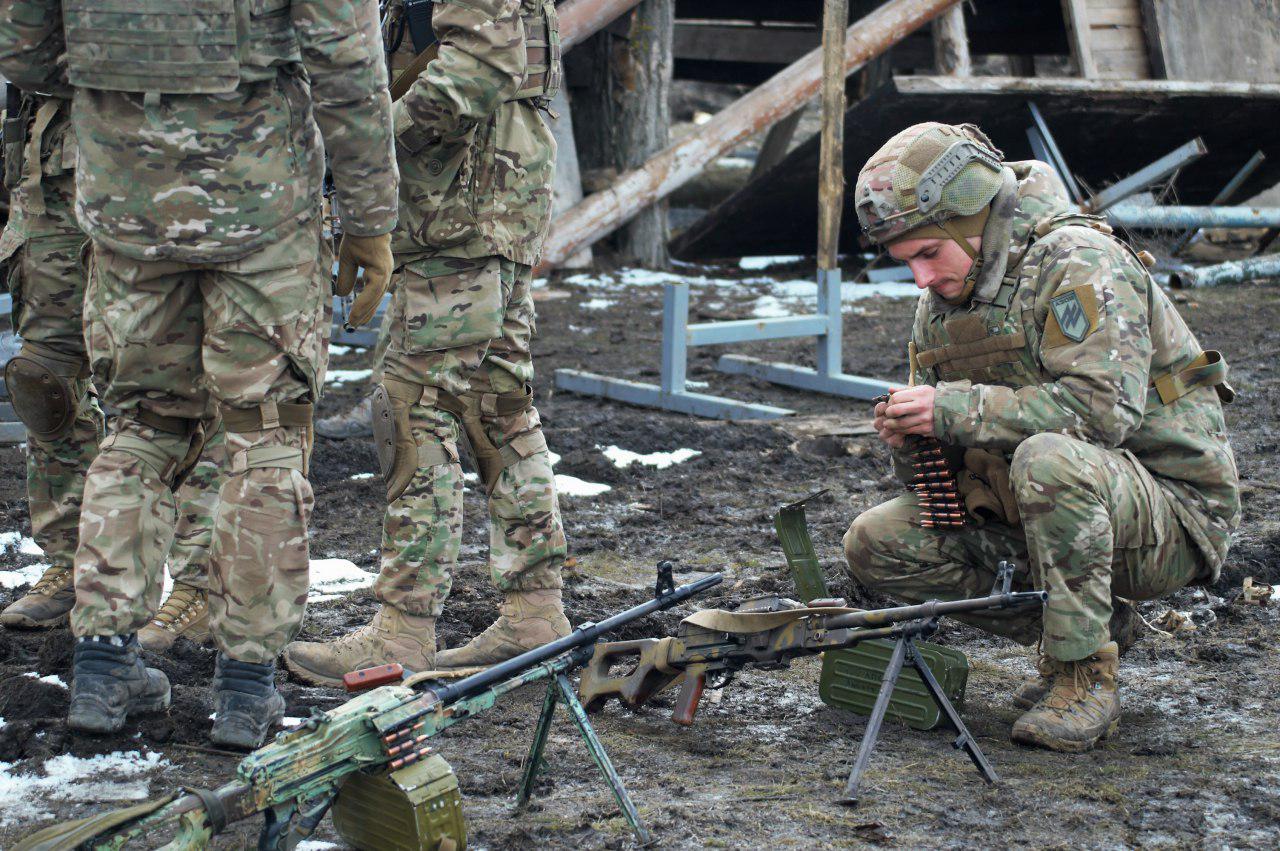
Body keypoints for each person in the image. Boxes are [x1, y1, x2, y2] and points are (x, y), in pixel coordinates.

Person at [0, 0, 398, 747]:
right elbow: (346, 58)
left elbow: (23, 49)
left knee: (140, 424)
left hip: (124, 202)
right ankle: (246, 687)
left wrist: (131, 98)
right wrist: (371, 219)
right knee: (266, 434)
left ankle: (102, 665)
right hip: (261, 205)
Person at [843, 122, 1240, 753]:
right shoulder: (946, 303)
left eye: (929, 253)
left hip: (1172, 516)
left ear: (974, 221)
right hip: (1049, 509)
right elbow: (947, 460)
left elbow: (1101, 413)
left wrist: (951, 409)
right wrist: (911, 438)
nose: (920, 279)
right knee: (877, 541)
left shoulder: (1079, 261)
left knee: (1048, 459)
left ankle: (1084, 677)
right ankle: (1085, 627)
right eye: (906, 261)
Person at [284, 0, 569, 685]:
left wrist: (366, 154)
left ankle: (404, 628)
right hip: (485, 197)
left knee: (412, 407)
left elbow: (477, 66)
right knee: (498, 404)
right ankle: (534, 610)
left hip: (462, 204)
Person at [0, 90, 226, 645]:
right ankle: (73, 560)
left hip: (169, 154)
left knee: (183, 383)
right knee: (44, 377)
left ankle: (201, 583)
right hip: (55, 163)